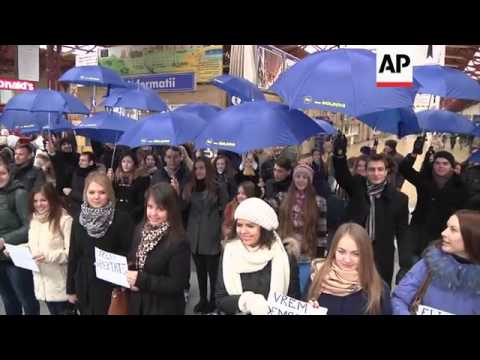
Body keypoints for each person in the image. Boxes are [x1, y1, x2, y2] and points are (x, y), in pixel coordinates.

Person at [333, 133, 409, 287]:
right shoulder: (357, 186)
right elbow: (342, 177)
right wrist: (339, 154)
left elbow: (402, 233)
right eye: (372, 170)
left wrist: (405, 264)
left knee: (378, 292)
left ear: (387, 171)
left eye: (380, 169)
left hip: (382, 254)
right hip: (354, 249)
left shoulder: (399, 199)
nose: (376, 174)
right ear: (366, 171)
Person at [215, 198, 300, 315]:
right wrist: (246, 301)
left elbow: (293, 300)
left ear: (263, 228)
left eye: (250, 226)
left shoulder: (285, 257)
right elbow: (220, 299)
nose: (243, 231)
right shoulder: (229, 252)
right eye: (239, 225)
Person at [66, 172, 134, 315]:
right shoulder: (79, 218)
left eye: (102, 192)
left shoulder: (121, 219)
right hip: (84, 281)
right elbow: (74, 254)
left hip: (109, 283)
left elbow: (129, 252)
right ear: (85, 193)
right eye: (92, 192)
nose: (96, 197)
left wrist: (109, 262)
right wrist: (70, 289)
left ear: (109, 193)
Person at [399, 137, 469, 273]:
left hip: (442, 235)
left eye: (445, 163)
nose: (441, 166)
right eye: (437, 163)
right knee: (412, 269)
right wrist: (414, 153)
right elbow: (404, 169)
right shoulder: (424, 181)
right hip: (418, 233)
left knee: (436, 272)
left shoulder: (460, 187)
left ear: (452, 167)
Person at [392, 210, 480, 315]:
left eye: (453, 230)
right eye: (447, 227)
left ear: (472, 236)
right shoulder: (429, 264)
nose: (444, 233)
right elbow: (399, 299)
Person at [127, 183, 191, 315]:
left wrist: (141, 280)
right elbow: (133, 259)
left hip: (164, 307)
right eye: (150, 207)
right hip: (138, 304)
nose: (153, 213)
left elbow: (178, 283)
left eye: (160, 209)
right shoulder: (140, 229)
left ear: (171, 210)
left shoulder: (179, 241)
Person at [307, 223, 392, 315]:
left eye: (356, 254)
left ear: (365, 254)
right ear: (333, 251)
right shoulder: (316, 277)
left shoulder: (378, 288)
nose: (347, 260)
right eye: (341, 252)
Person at [180, 157, 229, 314]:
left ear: (208, 169)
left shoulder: (218, 186)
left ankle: (214, 301)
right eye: (196, 168)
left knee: (213, 273)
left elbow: (225, 210)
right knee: (200, 271)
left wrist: (222, 232)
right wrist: (177, 192)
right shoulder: (189, 187)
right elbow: (182, 207)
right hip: (194, 234)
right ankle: (202, 299)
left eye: (201, 168)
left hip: (211, 233)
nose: (198, 171)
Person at [276, 164, 328, 297]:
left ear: (310, 180)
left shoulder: (319, 202)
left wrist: (319, 257)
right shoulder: (282, 198)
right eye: (298, 176)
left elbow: (322, 230)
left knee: (303, 292)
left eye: (305, 177)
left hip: (307, 253)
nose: (301, 180)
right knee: (284, 292)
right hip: (285, 252)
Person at [0, 155, 40, 315]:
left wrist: (5, 240)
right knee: (8, 299)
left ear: (9, 173)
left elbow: (29, 226)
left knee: (27, 299)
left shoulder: (19, 193)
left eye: (2, 173)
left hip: (16, 257)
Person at [27, 183, 72, 315]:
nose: (38, 204)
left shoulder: (65, 220)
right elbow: (33, 246)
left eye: (43, 200)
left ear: (52, 200)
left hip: (60, 285)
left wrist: (48, 256)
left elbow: (71, 254)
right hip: (42, 284)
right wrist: (16, 250)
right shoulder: (34, 221)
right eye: (35, 201)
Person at [107, 152, 150, 224]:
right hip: (115, 213)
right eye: (123, 161)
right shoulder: (116, 176)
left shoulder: (140, 179)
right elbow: (110, 196)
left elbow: (141, 202)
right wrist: (109, 182)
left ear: (134, 163)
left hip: (132, 215)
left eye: (129, 162)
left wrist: (131, 214)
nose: (126, 165)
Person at [64, 152, 100, 217]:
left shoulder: (95, 177)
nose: (79, 162)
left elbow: (90, 198)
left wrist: (71, 193)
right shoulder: (76, 172)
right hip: (73, 209)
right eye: (79, 160)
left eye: (83, 160)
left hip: (87, 212)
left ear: (91, 162)